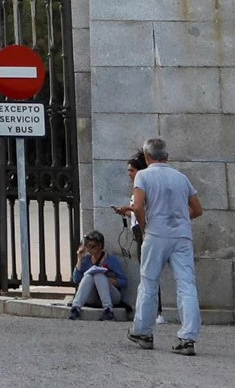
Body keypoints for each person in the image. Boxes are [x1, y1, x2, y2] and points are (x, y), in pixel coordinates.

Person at [123, 136, 202, 356]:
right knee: (186, 284)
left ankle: (143, 331)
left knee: (149, 282)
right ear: (167, 156)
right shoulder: (181, 177)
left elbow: (138, 206)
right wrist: (180, 220)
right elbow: (197, 209)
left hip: (156, 234)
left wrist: (146, 225)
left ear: (147, 158)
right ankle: (187, 337)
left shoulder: (143, 176)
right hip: (182, 235)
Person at [67, 232, 123, 320]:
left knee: (99, 275)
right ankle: (75, 308)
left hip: (110, 296)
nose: (89, 249)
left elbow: (124, 282)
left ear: (100, 246)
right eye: (87, 246)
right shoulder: (86, 259)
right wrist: (80, 259)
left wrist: (107, 280)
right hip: (92, 297)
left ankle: (108, 310)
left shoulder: (111, 260)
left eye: (92, 246)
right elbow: (76, 279)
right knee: (89, 276)